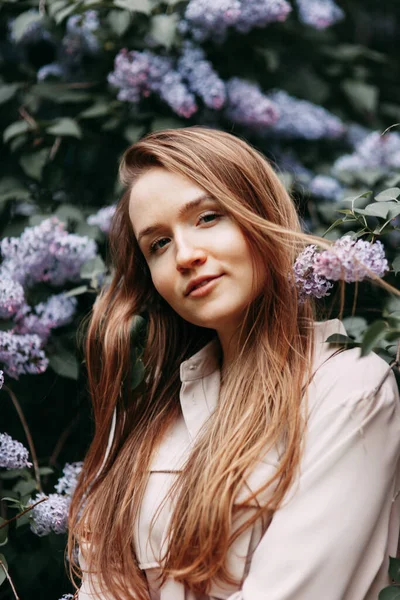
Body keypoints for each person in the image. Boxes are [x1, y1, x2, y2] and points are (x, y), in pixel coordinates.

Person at [68, 127, 400, 600]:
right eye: (158, 244)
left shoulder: (348, 389)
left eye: (206, 217)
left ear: (259, 215)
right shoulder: (152, 419)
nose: (185, 255)